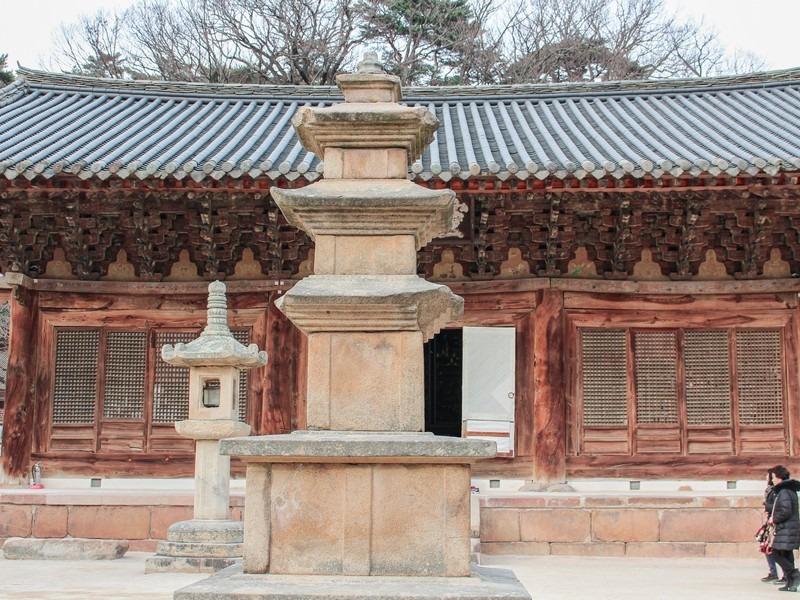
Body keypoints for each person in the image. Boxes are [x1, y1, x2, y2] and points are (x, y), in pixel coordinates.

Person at [769, 465, 800, 592]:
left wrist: (774, 519)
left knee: (775, 553)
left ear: (779, 478)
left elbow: (786, 511)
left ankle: (794, 574)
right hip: (789, 527)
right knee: (786, 554)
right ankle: (790, 582)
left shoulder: (784, 492)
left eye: (773, 478)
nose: (772, 480)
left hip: (786, 527)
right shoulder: (789, 490)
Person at [763, 469, 782, 583]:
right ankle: (773, 572)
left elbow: (777, 506)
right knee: (767, 547)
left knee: (774, 549)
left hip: (774, 522)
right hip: (769, 521)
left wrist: (766, 506)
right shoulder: (769, 490)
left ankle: (785, 574)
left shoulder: (776, 491)